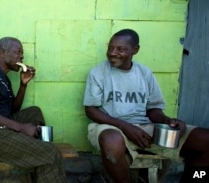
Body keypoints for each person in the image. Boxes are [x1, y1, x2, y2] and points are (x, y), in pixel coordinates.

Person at [83, 29, 209, 183]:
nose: (112, 53)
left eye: (120, 49)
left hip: (144, 127)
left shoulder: (145, 73)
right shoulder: (98, 72)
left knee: (205, 139)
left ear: (135, 50)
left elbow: (153, 109)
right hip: (111, 125)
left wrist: (167, 120)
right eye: (110, 48)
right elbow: (90, 110)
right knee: (111, 142)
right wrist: (125, 127)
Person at [0, 37, 66, 183]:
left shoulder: (4, 79)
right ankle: (40, 153)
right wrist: (21, 127)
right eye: (18, 52)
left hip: (0, 127)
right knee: (51, 154)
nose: (22, 56)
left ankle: (32, 149)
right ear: (3, 52)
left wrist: (23, 85)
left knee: (34, 111)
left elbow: (12, 109)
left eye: (22, 53)